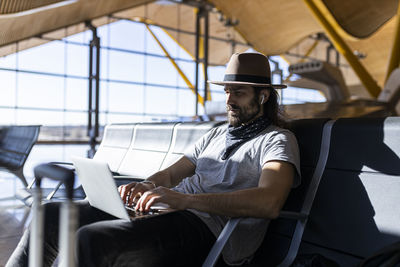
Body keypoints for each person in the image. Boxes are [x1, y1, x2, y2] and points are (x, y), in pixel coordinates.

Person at [7, 52, 300, 267]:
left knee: (91, 240)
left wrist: (184, 201)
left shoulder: (277, 140)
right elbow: (172, 175)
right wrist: (146, 186)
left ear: (263, 97)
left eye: (239, 92)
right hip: (169, 213)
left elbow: (268, 202)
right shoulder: (214, 135)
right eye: (226, 91)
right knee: (52, 215)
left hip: (210, 232)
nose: (228, 100)